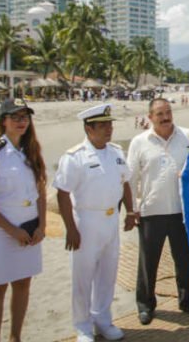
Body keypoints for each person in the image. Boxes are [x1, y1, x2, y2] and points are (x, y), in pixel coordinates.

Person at [54, 104, 137, 342]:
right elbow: (62, 193)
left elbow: (126, 183)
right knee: (83, 276)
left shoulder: (116, 152)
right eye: (102, 126)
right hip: (86, 221)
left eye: (110, 125)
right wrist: (70, 228)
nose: (108, 129)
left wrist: (130, 212)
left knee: (107, 273)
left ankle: (103, 319)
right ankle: (83, 326)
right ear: (89, 129)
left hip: (111, 220)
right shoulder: (75, 157)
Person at [0, 98, 46, 342]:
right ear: (3, 121)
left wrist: (42, 225)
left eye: (25, 117)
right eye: (15, 117)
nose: (21, 122)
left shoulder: (32, 151)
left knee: (23, 285)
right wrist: (12, 231)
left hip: (29, 229)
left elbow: (41, 192)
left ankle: (15, 336)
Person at [128, 99, 189, 325]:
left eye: (168, 112)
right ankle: (145, 305)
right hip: (151, 211)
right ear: (150, 117)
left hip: (182, 211)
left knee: (184, 260)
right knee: (148, 262)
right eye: (159, 114)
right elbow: (131, 178)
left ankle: (187, 301)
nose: (165, 117)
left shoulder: (188, 136)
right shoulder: (140, 142)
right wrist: (132, 209)